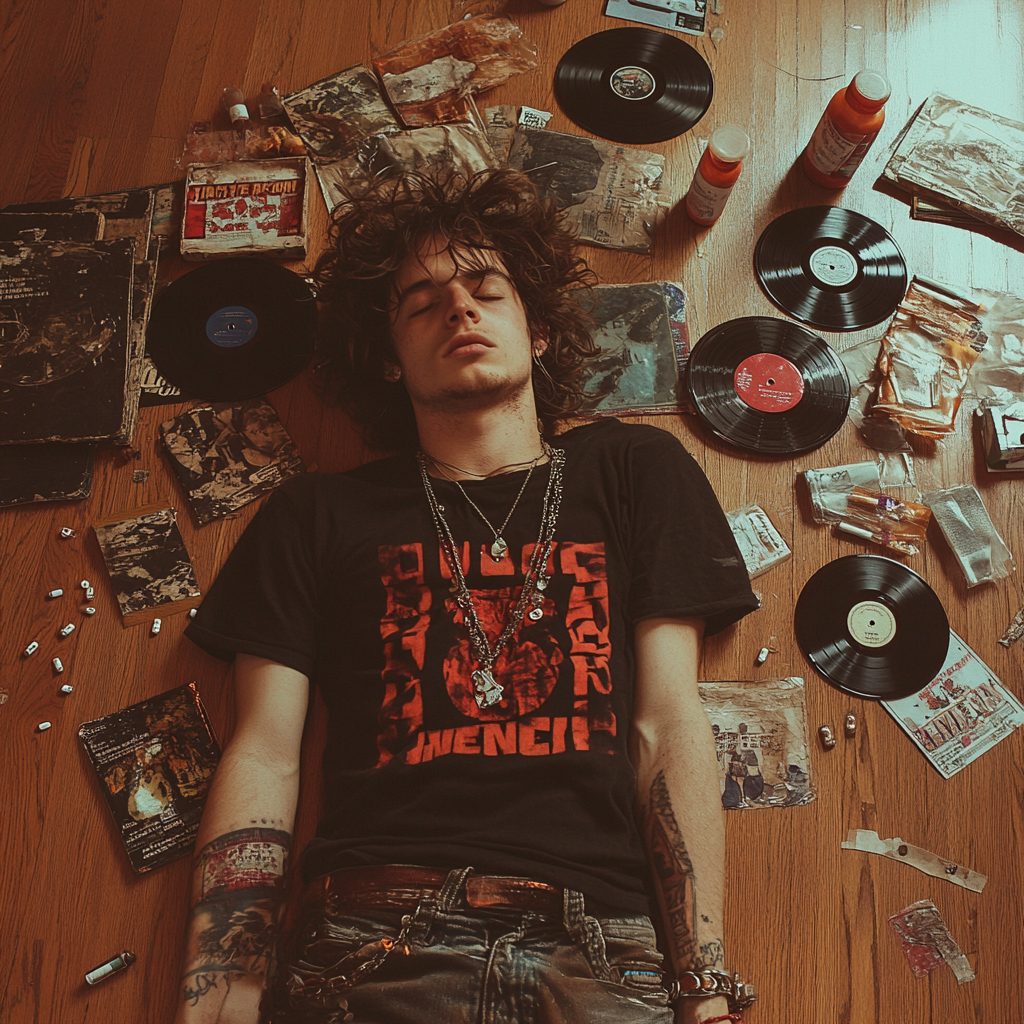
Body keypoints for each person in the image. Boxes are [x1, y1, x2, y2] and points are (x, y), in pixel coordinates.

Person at [174, 170, 759, 1024]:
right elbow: (265, 754)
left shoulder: (635, 470)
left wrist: (702, 984)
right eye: (419, 303)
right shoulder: (313, 514)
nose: (459, 309)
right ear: (385, 353)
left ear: (543, 329)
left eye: (487, 289)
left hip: (602, 951)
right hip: (373, 943)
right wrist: (221, 981)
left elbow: (667, 724)